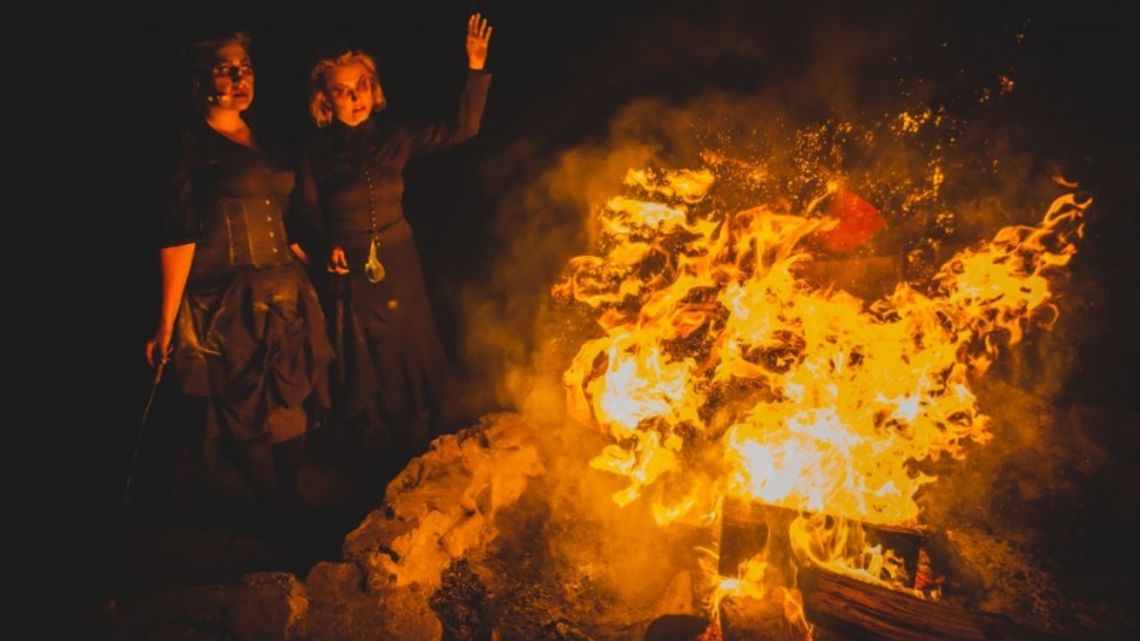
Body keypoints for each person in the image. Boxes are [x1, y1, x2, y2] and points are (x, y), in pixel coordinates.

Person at [296, 13, 492, 486]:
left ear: (373, 87)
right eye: (342, 90)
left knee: (411, 355)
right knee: (367, 367)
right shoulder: (314, 153)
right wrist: (327, 248)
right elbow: (305, 213)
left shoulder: (395, 137)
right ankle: (376, 466)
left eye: (361, 85)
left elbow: (461, 128)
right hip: (352, 276)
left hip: (401, 261)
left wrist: (475, 67)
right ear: (325, 98)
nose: (354, 97)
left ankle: (422, 454)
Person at [144, 30, 334, 517]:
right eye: (224, 68)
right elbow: (178, 234)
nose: (238, 76)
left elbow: (281, 211)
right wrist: (166, 321)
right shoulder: (186, 144)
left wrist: (317, 261)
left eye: (245, 66)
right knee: (244, 409)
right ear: (199, 79)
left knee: (291, 398)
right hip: (224, 299)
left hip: (284, 289)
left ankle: (289, 497)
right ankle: (276, 510)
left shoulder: (266, 137)